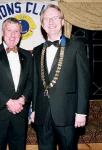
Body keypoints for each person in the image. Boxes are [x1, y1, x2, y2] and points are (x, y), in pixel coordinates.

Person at [31, 4, 90, 150]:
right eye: (47, 19)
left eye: (55, 18)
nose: (51, 22)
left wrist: (81, 112)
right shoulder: (38, 50)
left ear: (62, 22)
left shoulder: (76, 47)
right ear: (43, 25)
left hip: (68, 114)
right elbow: (35, 82)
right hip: (42, 114)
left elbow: (84, 81)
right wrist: (33, 109)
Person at [0, 17, 32, 150]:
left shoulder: (27, 55)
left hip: (20, 114)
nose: (13, 35)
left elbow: (31, 81)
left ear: (20, 35)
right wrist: (8, 102)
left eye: (16, 31)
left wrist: (22, 99)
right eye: (9, 30)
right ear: (3, 33)